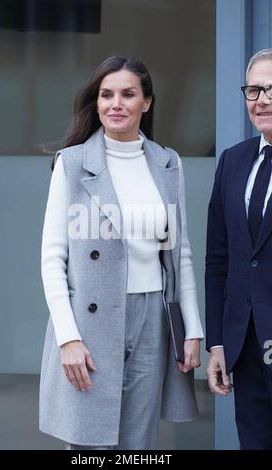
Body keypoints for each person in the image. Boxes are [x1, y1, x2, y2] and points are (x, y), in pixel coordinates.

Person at [39, 56, 203, 450]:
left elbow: (180, 255)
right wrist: (68, 338)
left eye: (128, 94)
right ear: (96, 103)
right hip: (90, 321)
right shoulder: (73, 164)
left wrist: (193, 328)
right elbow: (52, 257)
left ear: (146, 102)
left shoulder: (167, 163)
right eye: (106, 94)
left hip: (153, 317)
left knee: (139, 443)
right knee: (89, 442)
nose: (116, 103)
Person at [205, 48, 272, 450]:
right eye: (254, 89)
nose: (262, 99)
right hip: (246, 351)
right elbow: (220, 262)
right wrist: (218, 343)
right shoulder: (233, 161)